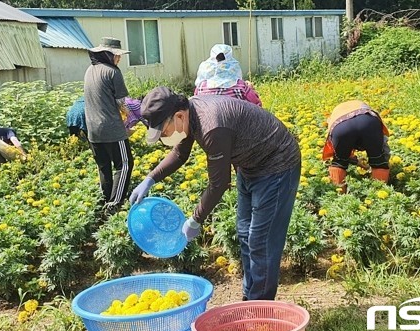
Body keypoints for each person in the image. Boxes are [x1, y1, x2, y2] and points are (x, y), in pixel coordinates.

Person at [129, 87, 301, 301]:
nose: (165, 137)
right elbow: (180, 153)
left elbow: (219, 184)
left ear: (179, 116)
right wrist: (150, 178)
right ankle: (250, 300)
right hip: (250, 165)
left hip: (276, 165)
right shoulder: (189, 114)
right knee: (245, 233)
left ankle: (260, 309)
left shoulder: (212, 126)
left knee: (261, 240)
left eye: (163, 131)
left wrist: (195, 219)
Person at [84, 37, 135, 212]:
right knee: (125, 164)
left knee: (104, 166)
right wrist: (132, 116)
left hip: (92, 129)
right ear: (107, 54)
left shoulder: (90, 70)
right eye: (117, 55)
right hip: (111, 128)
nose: (119, 59)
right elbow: (121, 102)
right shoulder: (113, 72)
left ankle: (104, 200)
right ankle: (115, 204)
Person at [322, 100, 390, 193]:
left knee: (339, 163)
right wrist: (383, 162)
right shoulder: (362, 105)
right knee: (378, 161)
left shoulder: (334, 116)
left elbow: (343, 149)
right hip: (368, 121)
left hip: (341, 126)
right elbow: (383, 145)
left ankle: (339, 196)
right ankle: (378, 195)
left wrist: (354, 161)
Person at [194, 44, 262, 107]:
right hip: (236, 119)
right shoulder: (240, 86)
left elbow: (196, 106)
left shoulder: (201, 87)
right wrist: (250, 89)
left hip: (207, 119)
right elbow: (257, 105)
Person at [66, 96, 148, 139]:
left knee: (77, 138)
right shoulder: (136, 105)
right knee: (92, 138)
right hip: (86, 111)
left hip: (72, 112)